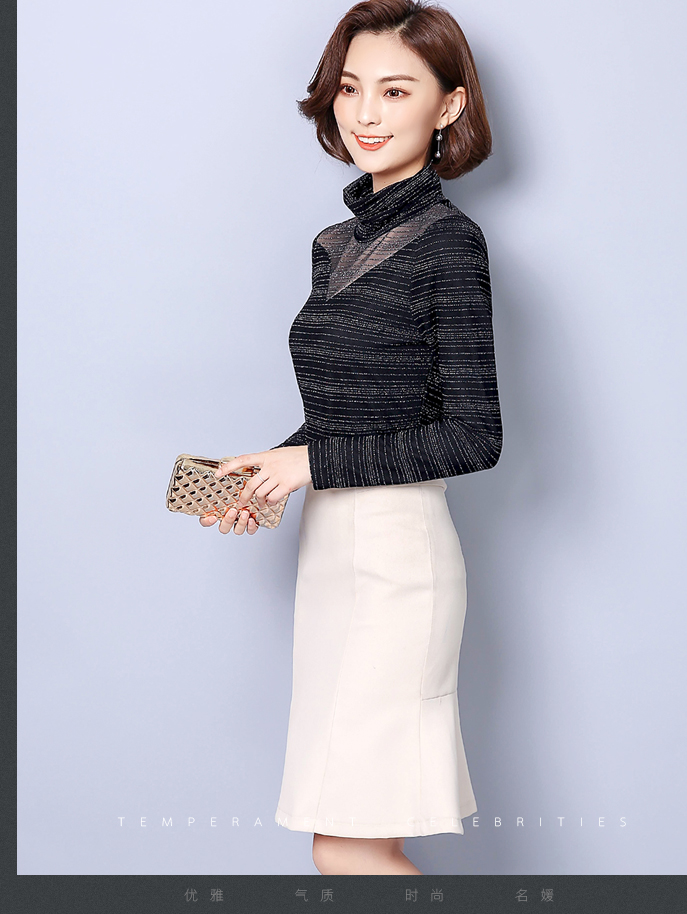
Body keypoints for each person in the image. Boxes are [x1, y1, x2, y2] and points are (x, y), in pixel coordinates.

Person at [201, 0, 503, 876]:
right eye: (349, 88)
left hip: (399, 563)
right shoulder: (334, 243)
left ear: (448, 105)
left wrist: (309, 464)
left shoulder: (451, 244)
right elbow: (348, 411)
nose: (365, 113)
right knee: (340, 838)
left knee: (346, 847)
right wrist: (268, 469)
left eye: (395, 91)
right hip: (331, 554)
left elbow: (474, 437)